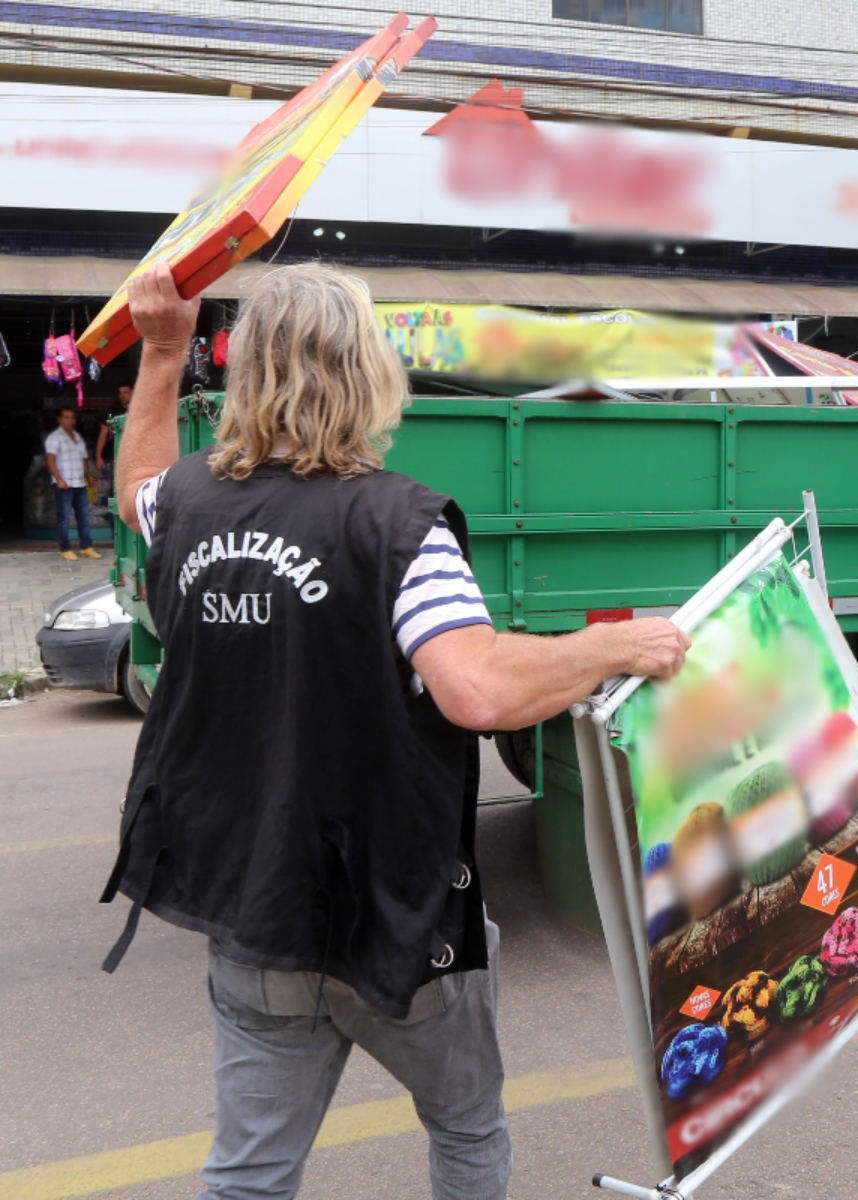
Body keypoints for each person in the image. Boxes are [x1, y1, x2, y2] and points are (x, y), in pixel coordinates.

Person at [102, 262, 689, 1200]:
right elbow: (477, 689)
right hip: (393, 923)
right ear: (366, 372)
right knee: (465, 1131)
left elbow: (133, 481)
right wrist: (612, 644)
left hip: (248, 910)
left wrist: (164, 351)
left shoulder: (184, 504)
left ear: (248, 373)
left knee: (248, 1174)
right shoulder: (401, 526)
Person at [44, 405, 101, 561]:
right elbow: (50, 461)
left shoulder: (77, 437)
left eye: (72, 417)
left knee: (84, 517)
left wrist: (89, 475)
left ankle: (86, 547)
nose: (70, 420)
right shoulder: (54, 438)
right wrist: (59, 480)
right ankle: (65, 549)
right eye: (66, 417)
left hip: (79, 484)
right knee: (63, 519)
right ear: (60, 420)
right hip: (64, 485)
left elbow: (82, 459)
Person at [94, 383, 133, 472]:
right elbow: (103, 434)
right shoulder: (112, 411)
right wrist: (98, 456)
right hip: (117, 455)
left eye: (125, 392)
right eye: (120, 393)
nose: (122, 396)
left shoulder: (139, 409)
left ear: (133, 392)